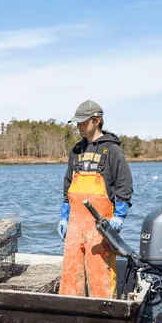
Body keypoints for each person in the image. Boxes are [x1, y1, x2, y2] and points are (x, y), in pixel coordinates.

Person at [57, 100, 133, 299]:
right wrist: (63, 217)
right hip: (74, 225)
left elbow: (124, 185)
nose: (78, 126)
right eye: (77, 122)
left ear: (96, 120)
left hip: (100, 226)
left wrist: (119, 216)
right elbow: (68, 186)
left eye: (82, 122)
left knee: (101, 275)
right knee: (70, 275)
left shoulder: (112, 150)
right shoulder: (76, 151)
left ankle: (105, 317)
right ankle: (70, 313)